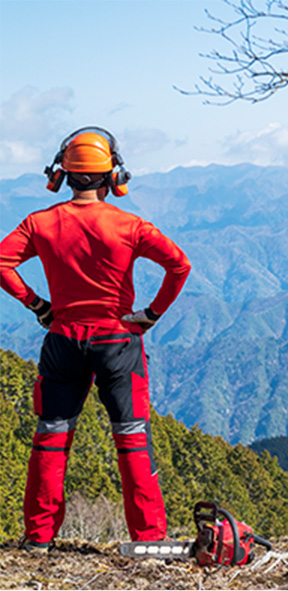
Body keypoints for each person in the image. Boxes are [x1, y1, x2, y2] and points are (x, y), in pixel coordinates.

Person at [0, 127, 191, 552]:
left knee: (51, 436)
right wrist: (151, 315)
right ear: (113, 177)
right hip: (118, 342)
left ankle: (38, 538)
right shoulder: (130, 225)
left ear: (63, 176)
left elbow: (1, 262)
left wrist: (37, 305)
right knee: (131, 436)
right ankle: (148, 539)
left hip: (63, 339)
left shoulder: (40, 223)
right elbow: (179, 265)